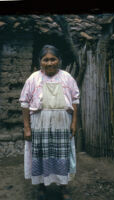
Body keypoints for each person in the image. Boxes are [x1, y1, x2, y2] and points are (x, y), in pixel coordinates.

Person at [19, 45, 80, 200]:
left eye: (53, 59)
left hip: (62, 123)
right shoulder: (33, 78)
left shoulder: (67, 77)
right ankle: (41, 187)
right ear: (41, 62)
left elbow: (75, 100)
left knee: (62, 155)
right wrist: (27, 128)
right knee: (40, 154)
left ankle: (63, 186)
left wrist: (73, 123)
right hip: (40, 124)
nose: (50, 63)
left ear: (58, 60)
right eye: (46, 59)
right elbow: (25, 104)